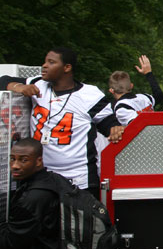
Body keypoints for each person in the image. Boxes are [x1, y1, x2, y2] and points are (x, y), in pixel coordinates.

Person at [0, 48, 124, 192]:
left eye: (51, 62)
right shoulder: (38, 84)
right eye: (45, 61)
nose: (44, 66)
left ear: (67, 67)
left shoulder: (89, 95)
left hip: (79, 179)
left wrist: (115, 129)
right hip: (42, 177)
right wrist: (19, 87)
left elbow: (109, 125)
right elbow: (4, 80)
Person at [0, 139, 84, 249]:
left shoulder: (33, 198)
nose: (15, 165)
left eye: (24, 160)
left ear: (39, 161)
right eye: (12, 159)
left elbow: (12, 241)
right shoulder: (52, 179)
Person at [108, 55, 163, 124]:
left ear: (111, 90)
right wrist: (148, 73)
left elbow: (137, 125)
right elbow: (159, 96)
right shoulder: (144, 97)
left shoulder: (121, 107)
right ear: (131, 86)